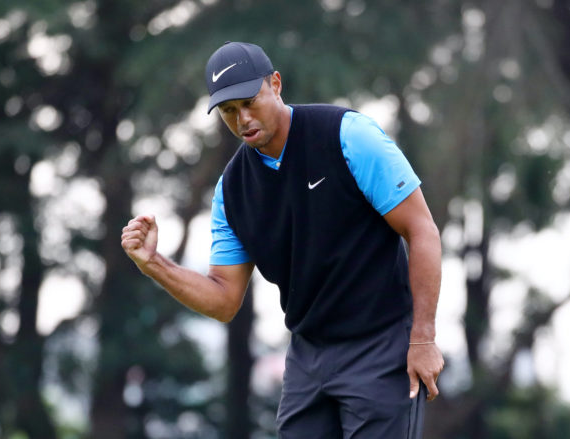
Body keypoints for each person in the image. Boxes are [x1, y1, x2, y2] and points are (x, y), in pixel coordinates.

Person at [121, 41, 444, 438]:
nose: (242, 119)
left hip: (381, 345)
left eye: (249, 102)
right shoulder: (232, 190)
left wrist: (423, 338)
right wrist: (153, 262)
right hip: (308, 356)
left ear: (275, 84)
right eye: (227, 111)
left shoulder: (347, 135)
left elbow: (422, 230)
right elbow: (223, 299)